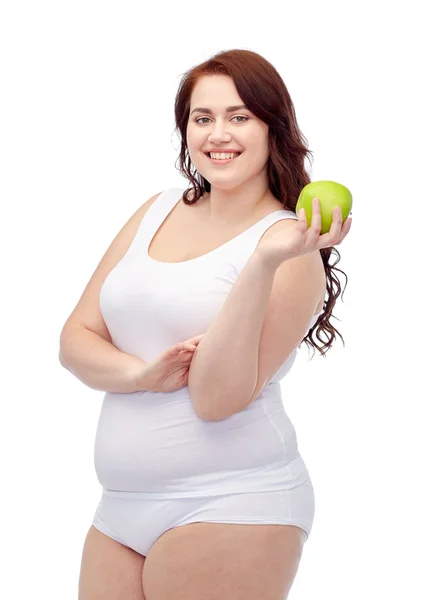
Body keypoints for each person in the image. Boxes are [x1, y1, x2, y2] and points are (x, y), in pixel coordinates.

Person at [60, 49, 351, 600]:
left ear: (273, 128)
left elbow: (217, 398)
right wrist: (143, 375)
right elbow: (75, 339)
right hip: (119, 508)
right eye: (203, 118)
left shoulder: (291, 249)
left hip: (234, 502)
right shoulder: (157, 208)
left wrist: (262, 260)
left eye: (239, 117)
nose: (219, 133)